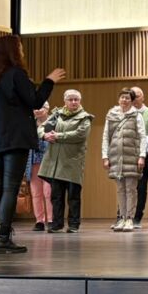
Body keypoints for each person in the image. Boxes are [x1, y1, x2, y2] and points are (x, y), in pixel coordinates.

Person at [0, 35, 64, 253]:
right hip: (15, 139)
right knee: (10, 187)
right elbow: (35, 100)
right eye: (20, 48)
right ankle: (3, 237)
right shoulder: (16, 73)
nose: (22, 52)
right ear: (13, 51)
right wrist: (49, 80)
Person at [40, 89, 93, 233]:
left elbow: (80, 135)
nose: (73, 102)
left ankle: (74, 224)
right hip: (56, 162)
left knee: (73, 196)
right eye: (70, 99)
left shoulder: (85, 117)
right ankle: (57, 224)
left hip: (73, 162)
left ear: (80, 101)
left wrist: (58, 136)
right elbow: (41, 128)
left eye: (76, 99)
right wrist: (44, 135)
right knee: (56, 196)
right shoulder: (56, 114)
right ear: (65, 101)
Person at [103, 88, 146, 232]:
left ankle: (129, 218)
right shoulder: (111, 115)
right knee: (120, 189)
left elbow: (142, 137)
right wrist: (105, 156)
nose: (124, 100)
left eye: (127, 98)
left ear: (132, 100)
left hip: (132, 157)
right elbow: (105, 137)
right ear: (118, 99)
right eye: (122, 97)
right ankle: (121, 217)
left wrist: (142, 156)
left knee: (130, 189)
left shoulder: (137, 115)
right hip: (116, 157)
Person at [129, 87, 148, 229]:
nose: (135, 98)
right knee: (126, 188)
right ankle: (122, 216)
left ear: (143, 97)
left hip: (144, 156)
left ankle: (137, 218)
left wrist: (147, 139)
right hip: (128, 155)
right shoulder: (125, 113)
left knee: (141, 188)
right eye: (132, 95)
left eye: (138, 95)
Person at [25, 104, 53, 231]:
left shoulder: (53, 122)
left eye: (40, 107)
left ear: (47, 109)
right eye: (35, 108)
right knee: (36, 192)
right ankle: (39, 220)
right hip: (33, 161)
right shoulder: (29, 123)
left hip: (49, 161)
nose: (37, 110)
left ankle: (51, 219)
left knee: (49, 192)